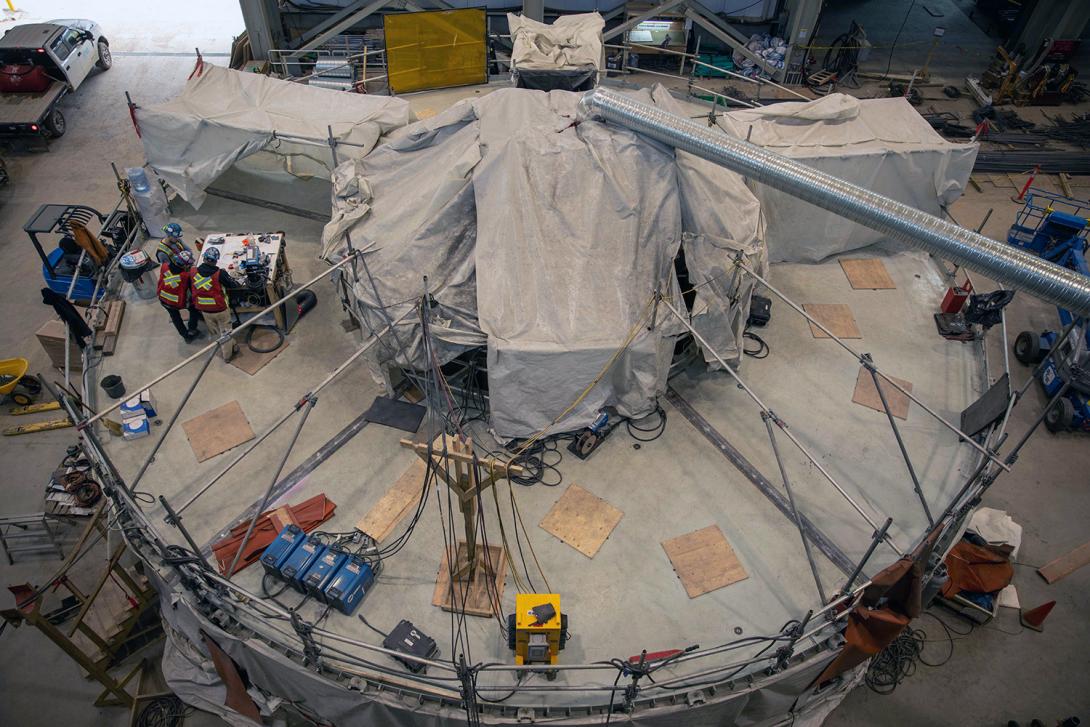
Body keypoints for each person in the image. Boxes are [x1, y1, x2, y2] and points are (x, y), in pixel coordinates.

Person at [189, 246, 244, 361]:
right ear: (216, 260)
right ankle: (227, 356)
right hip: (220, 310)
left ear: (204, 258)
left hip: (204, 309)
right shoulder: (220, 273)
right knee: (226, 335)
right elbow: (233, 285)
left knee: (215, 332)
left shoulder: (193, 271)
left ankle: (220, 343)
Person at [157, 250, 200, 342]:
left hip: (163, 299)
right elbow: (192, 289)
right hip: (176, 302)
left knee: (175, 318)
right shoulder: (186, 276)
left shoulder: (164, 266)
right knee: (194, 309)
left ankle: (186, 336)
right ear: (184, 265)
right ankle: (192, 329)